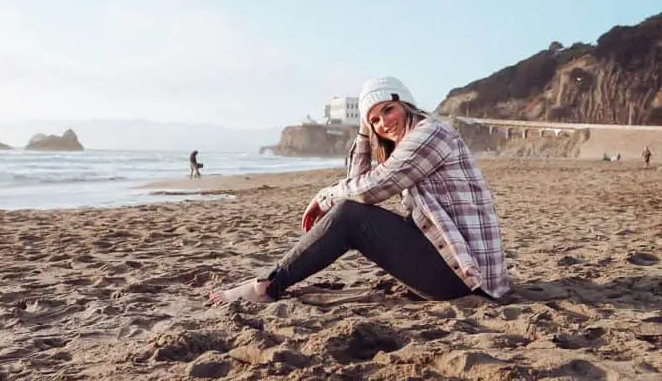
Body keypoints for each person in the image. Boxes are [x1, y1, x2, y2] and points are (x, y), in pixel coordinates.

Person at [210, 77, 509, 306]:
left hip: (466, 279)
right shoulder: (411, 138)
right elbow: (357, 182)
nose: (384, 123)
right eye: (375, 120)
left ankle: (267, 287)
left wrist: (325, 196)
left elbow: (372, 188)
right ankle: (270, 283)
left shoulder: (432, 134)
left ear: (406, 104)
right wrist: (365, 132)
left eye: (389, 110)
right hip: (455, 267)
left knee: (349, 216)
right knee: (349, 211)